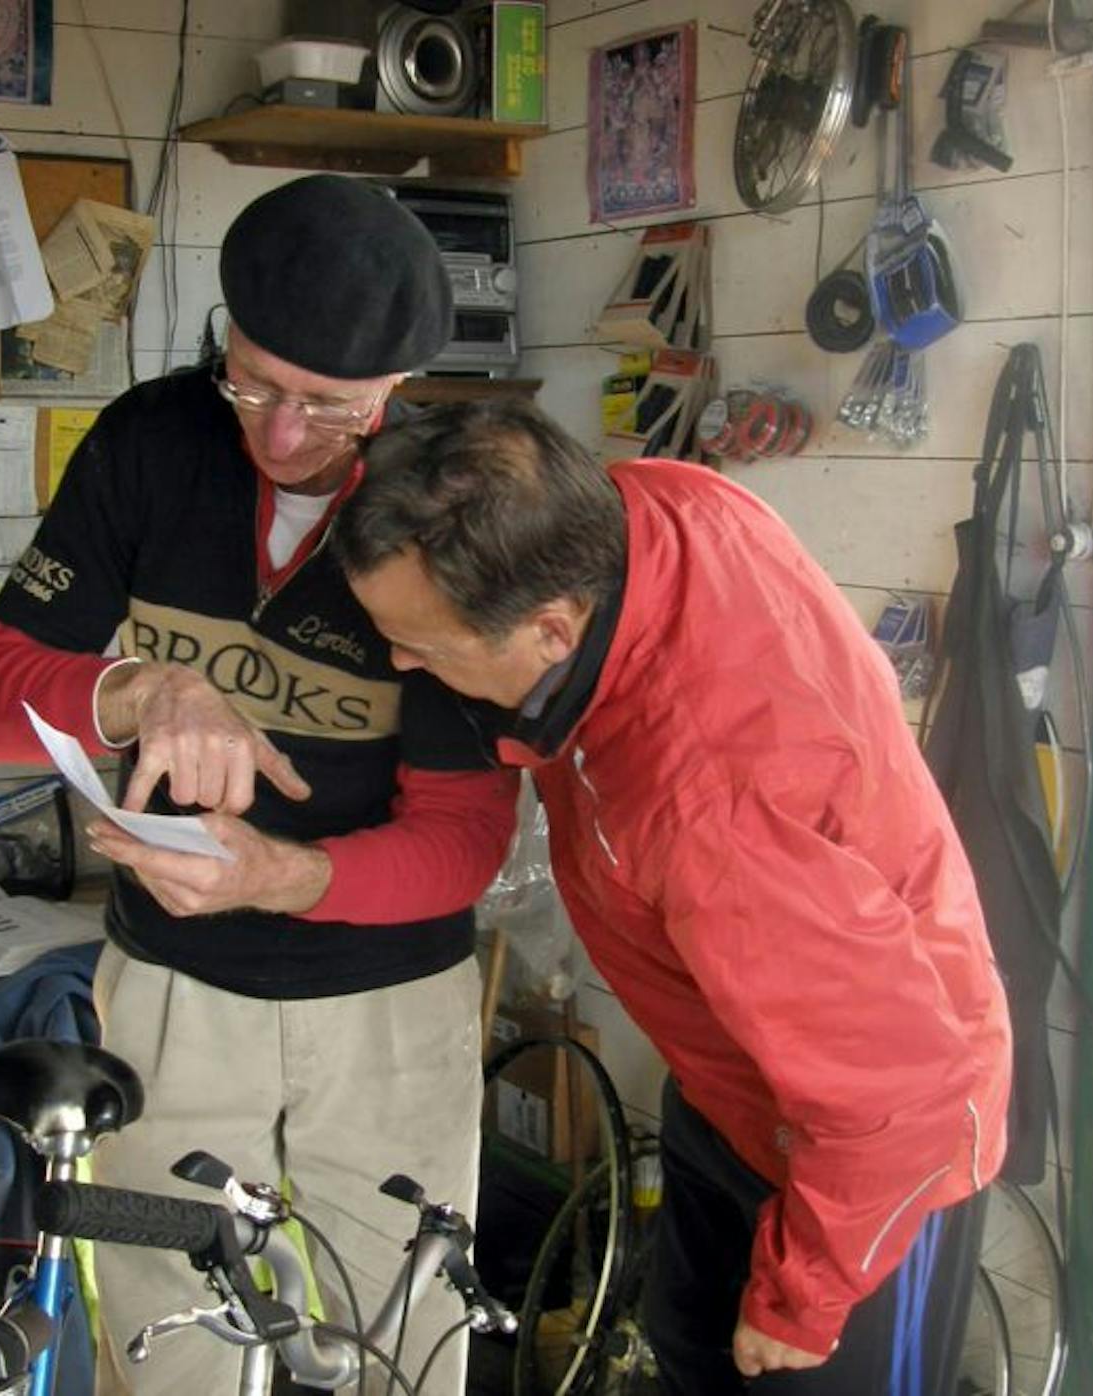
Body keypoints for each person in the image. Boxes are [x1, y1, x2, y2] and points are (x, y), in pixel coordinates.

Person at [0, 176, 518, 1396]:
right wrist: (139, 687)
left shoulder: (452, 505)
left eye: (331, 407)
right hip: (168, 985)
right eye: (254, 383)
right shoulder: (156, 439)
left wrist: (284, 875)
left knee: (400, 1344)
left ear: (396, 393)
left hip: (389, 1003)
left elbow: (463, 839)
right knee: (172, 1342)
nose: (285, 435)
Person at [332, 400, 1015, 1395]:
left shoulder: (712, 810)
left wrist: (803, 1297)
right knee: (689, 1350)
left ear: (550, 629)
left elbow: (894, 1099)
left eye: (422, 644)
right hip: (743, 1082)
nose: (400, 662)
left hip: (869, 1167)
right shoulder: (654, 507)